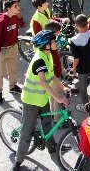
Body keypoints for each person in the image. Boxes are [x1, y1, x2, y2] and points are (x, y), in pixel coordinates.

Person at [12, 30, 70, 171]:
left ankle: (52, 147)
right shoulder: (39, 59)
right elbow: (44, 82)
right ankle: (18, 162)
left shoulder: (47, 55)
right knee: (26, 133)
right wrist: (59, 98)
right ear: (46, 45)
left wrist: (63, 88)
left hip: (42, 99)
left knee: (47, 124)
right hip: (31, 100)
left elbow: (51, 76)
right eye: (53, 41)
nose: (56, 43)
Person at [0, 0, 24, 104]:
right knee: (0, 73)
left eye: (18, 5)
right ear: (8, 9)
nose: (18, 8)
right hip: (2, 50)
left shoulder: (15, 17)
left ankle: (13, 86)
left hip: (13, 47)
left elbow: (19, 26)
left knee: (13, 69)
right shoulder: (1, 22)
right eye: (15, 6)